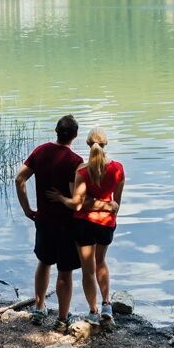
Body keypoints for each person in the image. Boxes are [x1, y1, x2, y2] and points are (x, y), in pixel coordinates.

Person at [48, 128, 124, 330]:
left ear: (88, 145)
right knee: (101, 262)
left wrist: (60, 198)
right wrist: (108, 208)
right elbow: (116, 204)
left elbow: (77, 204)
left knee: (88, 270)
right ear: (105, 144)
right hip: (106, 224)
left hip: (84, 224)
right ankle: (107, 305)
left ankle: (93, 311)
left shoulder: (82, 171)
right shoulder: (118, 168)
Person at [15, 114, 83, 332]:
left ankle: (39, 307)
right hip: (66, 225)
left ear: (56, 131)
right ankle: (62, 318)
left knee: (44, 262)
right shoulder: (75, 161)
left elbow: (19, 179)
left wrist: (27, 209)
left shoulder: (40, 151)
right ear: (75, 136)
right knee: (65, 271)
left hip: (43, 220)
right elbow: (76, 202)